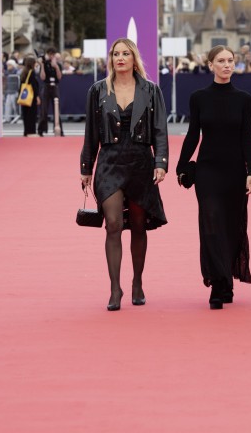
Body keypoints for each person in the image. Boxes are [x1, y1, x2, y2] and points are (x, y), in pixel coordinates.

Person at [80, 38, 168, 311]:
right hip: (109, 162)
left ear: (134, 58)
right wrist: (86, 167)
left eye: (125, 54)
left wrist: (161, 162)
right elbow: (91, 132)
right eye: (116, 54)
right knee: (113, 224)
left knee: (139, 225)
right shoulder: (98, 90)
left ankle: (137, 282)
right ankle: (115, 288)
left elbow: (160, 129)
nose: (120, 58)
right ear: (111, 59)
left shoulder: (151, 90)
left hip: (141, 163)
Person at [177, 46, 251, 308]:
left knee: (231, 227)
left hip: (235, 172)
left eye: (230, 61)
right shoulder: (199, 97)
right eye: (221, 61)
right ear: (210, 65)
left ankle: (227, 281)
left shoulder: (244, 99)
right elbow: (193, 134)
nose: (226, 65)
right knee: (211, 223)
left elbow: (247, 137)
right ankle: (218, 284)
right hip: (207, 171)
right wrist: (180, 165)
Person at [37, 47, 62, 136]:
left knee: (57, 109)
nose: (51, 56)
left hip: (55, 86)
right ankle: (41, 130)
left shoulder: (58, 64)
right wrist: (42, 65)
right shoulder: (45, 63)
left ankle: (58, 130)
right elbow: (42, 77)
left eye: (53, 54)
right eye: (50, 54)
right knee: (44, 109)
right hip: (46, 87)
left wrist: (56, 67)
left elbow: (59, 77)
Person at [18, 57, 40, 137]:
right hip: (31, 97)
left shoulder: (24, 72)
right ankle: (31, 131)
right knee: (32, 114)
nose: (36, 64)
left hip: (24, 96)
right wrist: (37, 96)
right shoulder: (32, 72)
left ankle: (26, 131)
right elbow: (34, 85)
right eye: (35, 63)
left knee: (26, 114)